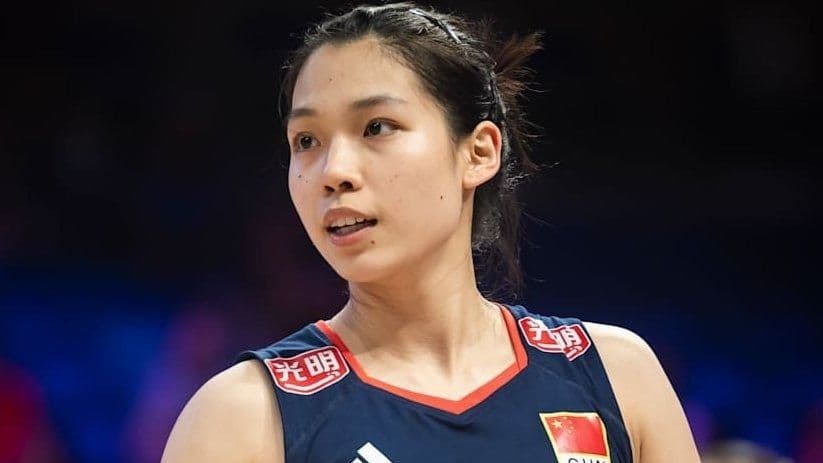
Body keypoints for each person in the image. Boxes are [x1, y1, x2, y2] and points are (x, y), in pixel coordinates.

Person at [161, 3, 700, 462]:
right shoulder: (241, 418)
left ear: (479, 152)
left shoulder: (616, 377)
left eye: (376, 127)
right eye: (306, 140)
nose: (332, 171)